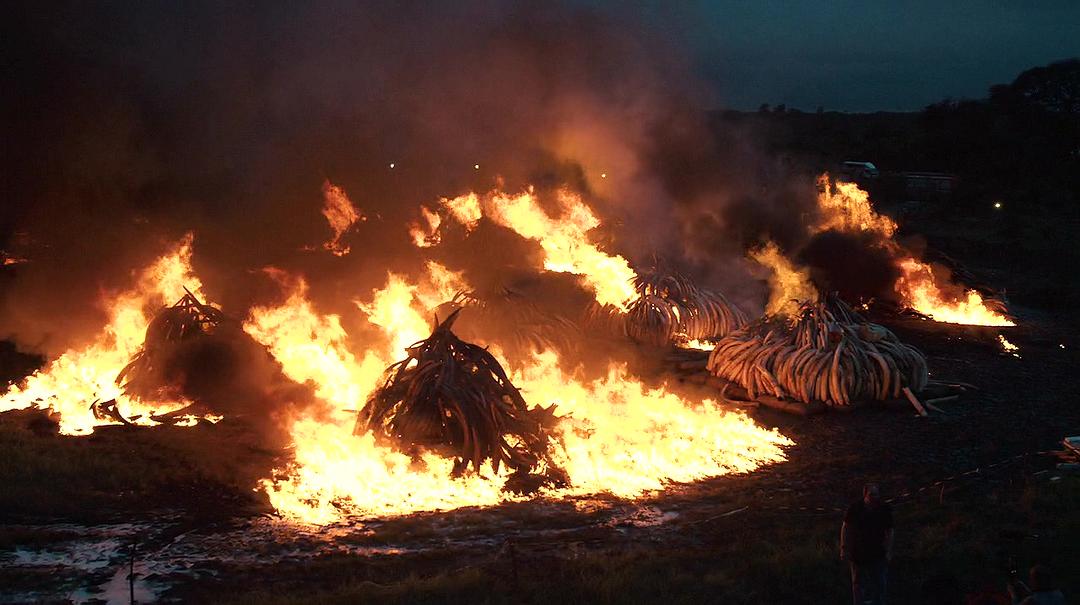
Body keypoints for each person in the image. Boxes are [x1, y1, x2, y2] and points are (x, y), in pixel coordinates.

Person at [841, 483, 894, 605]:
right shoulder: (855, 508)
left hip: (878, 552)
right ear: (864, 495)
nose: (874, 497)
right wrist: (844, 548)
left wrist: (889, 550)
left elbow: (890, 531)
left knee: (879, 583)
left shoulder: (884, 508)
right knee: (858, 584)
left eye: (876, 494)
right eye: (871, 494)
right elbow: (846, 528)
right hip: (858, 553)